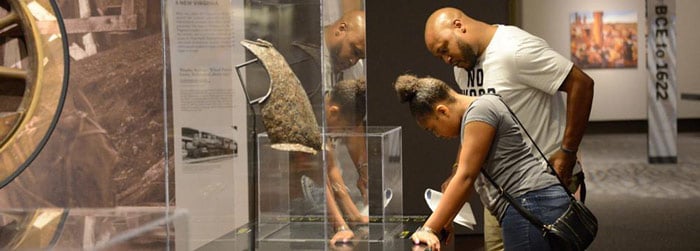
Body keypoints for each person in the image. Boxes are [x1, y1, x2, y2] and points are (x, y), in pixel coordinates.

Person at [424, 7, 594, 250]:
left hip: (542, 185)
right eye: (439, 56)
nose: (447, 59)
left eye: (444, 49)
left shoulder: (515, 49)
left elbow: (582, 84)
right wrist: (457, 170)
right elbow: (474, 125)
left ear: (459, 26)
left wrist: (567, 151)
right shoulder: (462, 69)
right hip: (500, 190)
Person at [394, 74, 570, 251]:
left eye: (433, 129)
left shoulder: (479, 112)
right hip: (532, 204)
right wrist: (446, 219)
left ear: (442, 111)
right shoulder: (483, 107)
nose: (438, 135)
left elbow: (466, 176)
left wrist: (429, 229)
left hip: (530, 204)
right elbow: (468, 177)